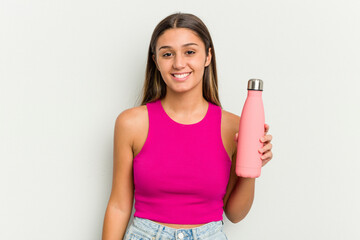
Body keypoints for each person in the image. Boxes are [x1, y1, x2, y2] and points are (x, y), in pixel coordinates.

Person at [102, 12, 273, 240]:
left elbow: (234, 213)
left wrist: (252, 167)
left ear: (207, 56)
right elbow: (119, 206)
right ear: (156, 61)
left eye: (190, 52)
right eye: (167, 54)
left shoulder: (233, 126)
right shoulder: (131, 124)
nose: (179, 63)